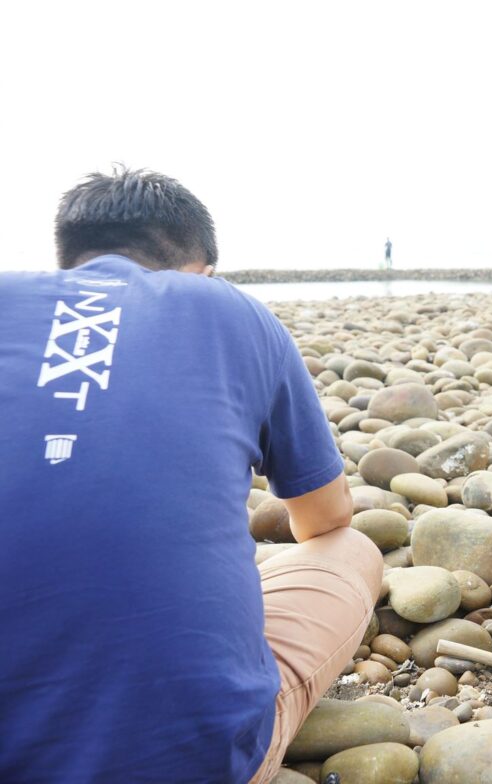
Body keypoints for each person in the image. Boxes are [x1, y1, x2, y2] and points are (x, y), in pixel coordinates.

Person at [0, 168, 383, 782]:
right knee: (350, 549)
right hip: (189, 761)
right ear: (201, 269)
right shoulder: (226, 308)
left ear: (66, 260)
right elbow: (326, 518)